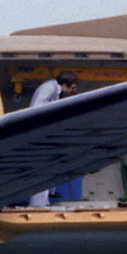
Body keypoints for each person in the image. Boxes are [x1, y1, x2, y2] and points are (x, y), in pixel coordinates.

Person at [28, 72, 80, 207]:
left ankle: (46, 198)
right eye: (72, 88)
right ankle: (38, 205)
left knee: (51, 168)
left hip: (46, 134)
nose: (73, 91)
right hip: (39, 134)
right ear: (64, 84)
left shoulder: (56, 91)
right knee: (43, 171)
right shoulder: (48, 89)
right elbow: (36, 109)